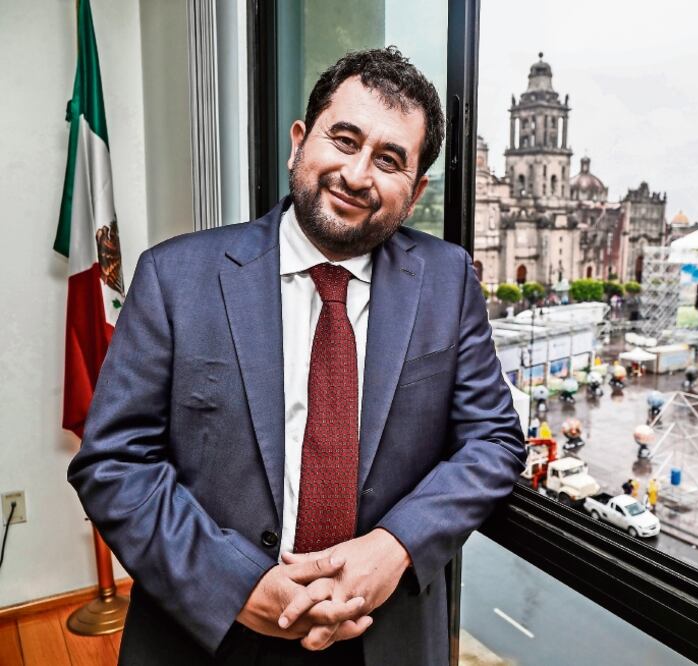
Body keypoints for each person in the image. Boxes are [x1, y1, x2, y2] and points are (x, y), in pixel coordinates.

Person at [67, 48, 525, 666]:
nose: (358, 174)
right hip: (211, 631)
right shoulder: (175, 277)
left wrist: (396, 545)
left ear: (414, 193)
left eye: (389, 160)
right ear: (299, 142)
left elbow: (494, 440)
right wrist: (237, 583)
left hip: (383, 636)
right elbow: (114, 464)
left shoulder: (448, 281)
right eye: (344, 139)